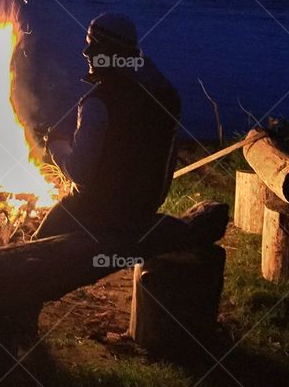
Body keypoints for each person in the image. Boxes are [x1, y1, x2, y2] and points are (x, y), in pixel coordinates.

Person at [37, 13, 181, 239]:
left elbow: (79, 173)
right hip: (145, 206)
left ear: (111, 51)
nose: (86, 52)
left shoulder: (99, 102)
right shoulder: (165, 94)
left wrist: (56, 145)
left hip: (99, 211)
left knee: (38, 244)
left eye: (93, 44)